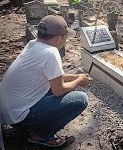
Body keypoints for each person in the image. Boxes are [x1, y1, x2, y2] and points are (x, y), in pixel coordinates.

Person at [0, 15, 92, 147]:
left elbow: (54, 76)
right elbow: (59, 90)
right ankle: (40, 136)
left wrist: (75, 77)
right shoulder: (51, 52)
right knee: (80, 99)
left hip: (9, 111)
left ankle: (33, 127)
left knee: (56, 89)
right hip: (19, 117)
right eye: (66, 37)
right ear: (60, 37)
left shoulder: (33, 44)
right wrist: (78, 82)